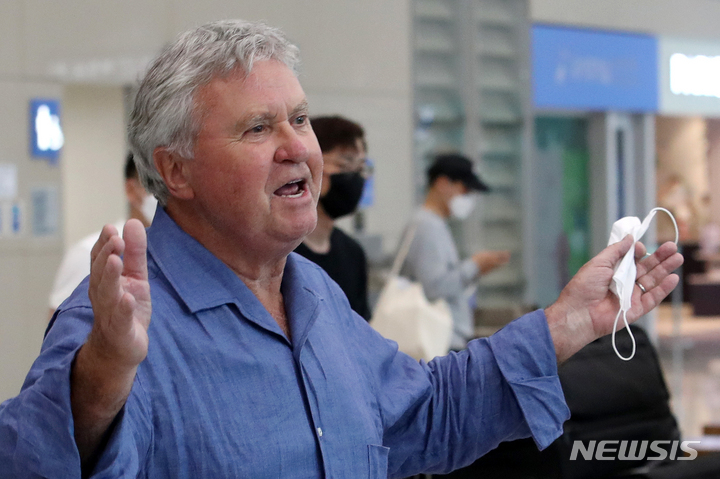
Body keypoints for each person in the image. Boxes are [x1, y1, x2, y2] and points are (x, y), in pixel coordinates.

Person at [0, 20, 682, 478]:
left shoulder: (314, 293)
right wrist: (101, 381)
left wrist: (568, 321)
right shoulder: (119, 326)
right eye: (259, 127)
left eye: (299, 118)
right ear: (174, 169)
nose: (300, 146)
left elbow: (424, 410)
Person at [401, 153, 511, 350]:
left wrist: (477, 268)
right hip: (439, 343)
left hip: (444, 340)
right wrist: (474, 266)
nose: (468, 198)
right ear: (443, 183)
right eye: (465, 190)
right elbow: (433, 289)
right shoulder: (427, 226)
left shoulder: (435, 224)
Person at [47, 153, 157, 317]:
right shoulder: (92, 254)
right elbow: (58, 335)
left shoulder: (178, 254)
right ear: (131, 190)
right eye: (158, 186)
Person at [295, 115, 371, 320]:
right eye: (345, 163)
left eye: (361, 167)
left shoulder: (353, 253)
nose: (355, 176)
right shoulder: (282, 253)